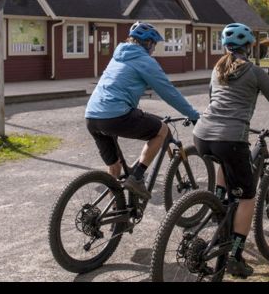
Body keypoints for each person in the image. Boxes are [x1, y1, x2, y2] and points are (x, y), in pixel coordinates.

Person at [192, 22, 269, 278]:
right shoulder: (255, 72)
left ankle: (219, 202)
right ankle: (235, 256)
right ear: (248, 47)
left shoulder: (217, 68)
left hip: (202, 135)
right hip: (231, 138)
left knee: (224, 162)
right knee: (247, 197)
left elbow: (213, 99)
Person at [85, 21, 201, 200]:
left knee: (114, 169)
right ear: (148, 43)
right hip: (116, 116)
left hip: (92, 117)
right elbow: (168, 92)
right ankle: (137, 177)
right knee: (162, 129)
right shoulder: (145, 60)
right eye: (154, 45)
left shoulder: (117, 56)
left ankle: (117, 216)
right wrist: (193, 114)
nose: (153, 50)